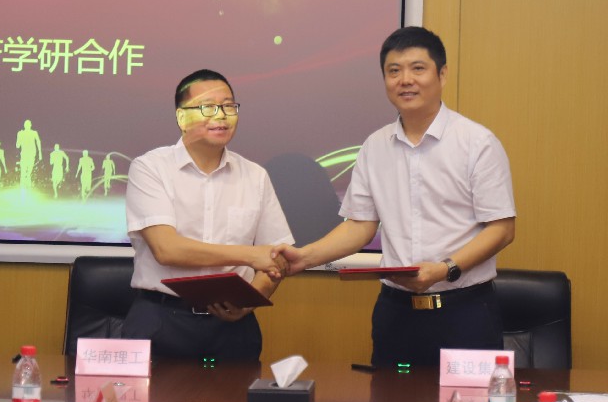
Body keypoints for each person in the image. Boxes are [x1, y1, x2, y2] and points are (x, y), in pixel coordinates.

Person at [274, 27, 516, 367]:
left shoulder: (477, 143)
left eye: (418, 68)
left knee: (469, 401)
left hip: (465, 312)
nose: (405, 80)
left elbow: (502, 229)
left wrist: (444, 269)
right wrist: (304, 257)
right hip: (396, 314)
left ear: (442, 74)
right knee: (389, 398)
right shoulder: (375, 147)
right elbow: (360, 226)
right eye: (394, 71)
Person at [121, 69, 293, 361]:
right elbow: (167, 249)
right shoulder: (150, 168)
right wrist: (249, 256)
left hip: (234, 328)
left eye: (228, 106)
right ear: (181, 117)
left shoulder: (255, 176)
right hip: (162, 321)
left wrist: (252, 299)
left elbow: (277, 258)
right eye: (208, 107)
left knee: (239, 394)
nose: (221, 116)